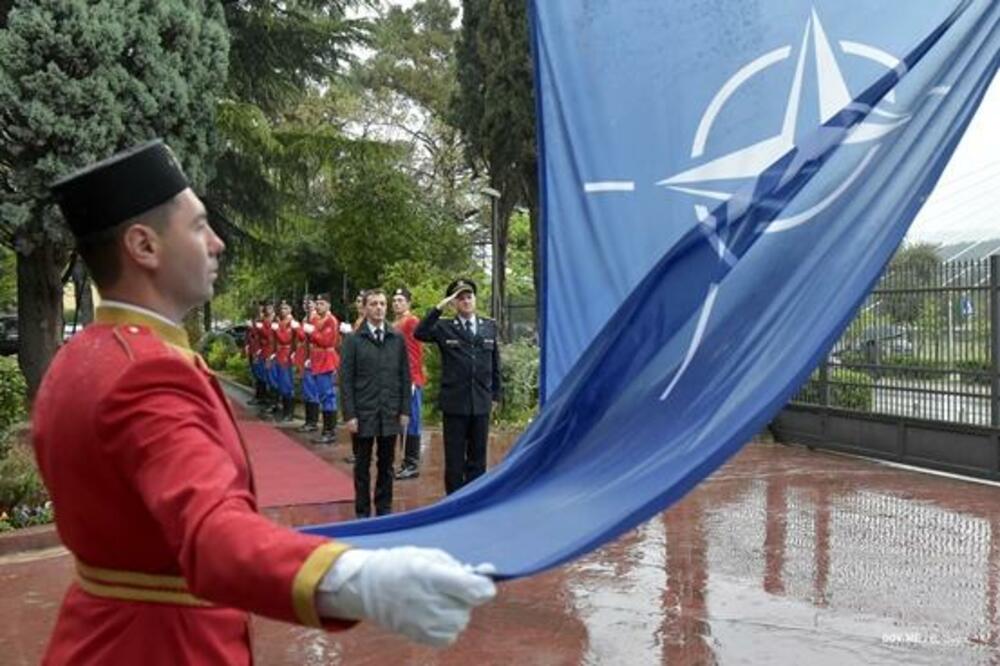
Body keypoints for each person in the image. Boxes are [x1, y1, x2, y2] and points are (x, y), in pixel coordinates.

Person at [34, 139, 495, 664]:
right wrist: (360, 578)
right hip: (166, 647)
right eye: (198, 226)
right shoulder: (148, 373)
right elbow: (213, 536)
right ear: (144, 247)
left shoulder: (82, 357)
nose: (217, 243)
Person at [415, 278, 502, 494]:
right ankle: (453, 501)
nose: (465, 301)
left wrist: (496, 396)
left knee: (478, 458)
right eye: (460, 298)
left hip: (480, 402)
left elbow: (495, 364)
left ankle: (473, 501)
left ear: (475, 299)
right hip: (455, 403)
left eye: (469, 297)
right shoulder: (444, 327)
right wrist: (439, 307)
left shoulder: (489, 327)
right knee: (454, 460)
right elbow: (420, 333)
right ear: (453, 303)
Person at [340, 289, 411, 518]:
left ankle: (384, 509)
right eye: (374, 304)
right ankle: (362, 512)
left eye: (382, 303)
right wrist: (350, 415)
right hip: (363, 412)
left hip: (389, 412)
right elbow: (346, 380)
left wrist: (405, 410)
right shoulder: (353, 340)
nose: (379, 308)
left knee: (386, 465)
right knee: (362, 465)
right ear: (365, 308)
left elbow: (405, 376)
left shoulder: (396, 338)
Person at [392, 287, 426, 480]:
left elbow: (413, 353)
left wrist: (412, 377)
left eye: (400, 300)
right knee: (401, 420)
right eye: (395, 300)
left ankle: (412, 463)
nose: (397, 303)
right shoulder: (396, 322)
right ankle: (405, 461)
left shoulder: (411, 321)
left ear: (408, 303)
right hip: (398, 378)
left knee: (411, 420)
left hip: (410, 378)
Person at [306, 293, 342, 444]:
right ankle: (326, 429)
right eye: (318, 303)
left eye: (322, 303)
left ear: (328, 305)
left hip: (326, 360)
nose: (319, 306)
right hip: (317, 360)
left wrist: (311, 331)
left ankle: (330, 431)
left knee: (328, 396)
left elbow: (325, 341)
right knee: (322, 395)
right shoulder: (315, 319)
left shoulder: (331, 320)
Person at [295, 295, 320, 433]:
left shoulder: (315, 318)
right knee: (307, 389)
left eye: (310, 303)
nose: (307, 305)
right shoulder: (306, 318)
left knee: (312, 390)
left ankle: (313, 421)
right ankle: (309, 420)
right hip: (305, 356)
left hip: (313, 357)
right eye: (305, 303)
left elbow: (313, 338)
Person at [271, 299, 298, 422]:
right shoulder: (282, 321)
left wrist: (276, 330)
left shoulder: (291, 322)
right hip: (280, 354)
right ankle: (285, 410)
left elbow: (285, 339)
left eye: (286, 308)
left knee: (287, 384)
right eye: (282, 308)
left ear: (290, 310)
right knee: (282, 383)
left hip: (286, 354)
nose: (283, 311)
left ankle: (289, 413)